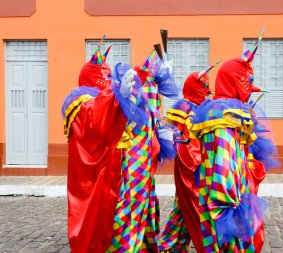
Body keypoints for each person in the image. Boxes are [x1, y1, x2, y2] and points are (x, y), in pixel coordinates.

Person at [190, 30, 277, 252]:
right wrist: (228, 211)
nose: (250, 87)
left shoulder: (231, 111)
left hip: (233, 194)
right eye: (247, 80)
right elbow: (223, 164)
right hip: (223, 202)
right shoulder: (223, 115)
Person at [62, 39, 148, 253]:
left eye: (111, 76)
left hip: (115, 173)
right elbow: (94, 117)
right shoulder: (80, 102)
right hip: (95, 179)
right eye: (105, 76)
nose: (109, 80)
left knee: (116, 218)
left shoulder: (105, 98)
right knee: (95, 222)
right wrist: (115, 96)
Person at [107, 47, 180, 253]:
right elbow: (130, 117)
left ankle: (144, 244)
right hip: (134, 153)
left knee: (145, 197)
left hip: (147, 154)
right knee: (132, 199)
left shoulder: (152, 85)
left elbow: (153, 118)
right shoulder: (140, 84)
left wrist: (164, 132)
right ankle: (123, 246)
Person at [159, 62, 219, 253]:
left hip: (204, 164)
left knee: (183, 205)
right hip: (190, 166)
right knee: (193, 204)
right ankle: (204, 244)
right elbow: (173, 134)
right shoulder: (183, 106)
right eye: (203, 86)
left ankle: (171, 243)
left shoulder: (205, 107)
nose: (207, 91)